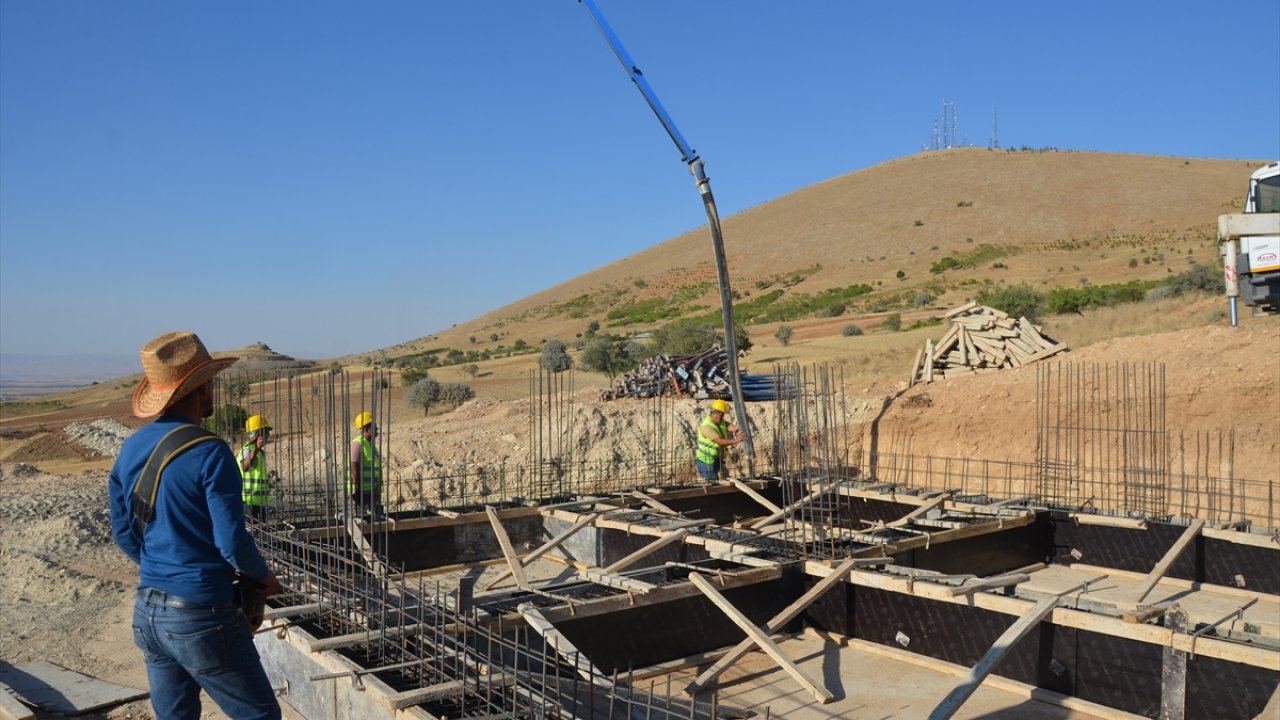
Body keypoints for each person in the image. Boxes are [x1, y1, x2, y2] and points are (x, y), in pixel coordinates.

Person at [107, 331, 283, 720]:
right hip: (202, 615)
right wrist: (263, 577)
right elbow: (231, 542)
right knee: (260, 715)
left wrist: (163, 567)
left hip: (147, 611)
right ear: (201, 387)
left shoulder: (131, 448)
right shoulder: (210, 452)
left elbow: (123, 532)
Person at [695, 398, 745, 482]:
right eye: (722, 415)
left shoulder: (720, 422)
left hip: (715, 459)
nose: (723, 418)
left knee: (715, 481)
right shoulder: (706, 426)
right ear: (717, 413)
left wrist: (737, 429)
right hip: (706, 461)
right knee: (711, 484)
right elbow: (720, 441)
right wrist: (736, 440)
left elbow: (730, 426)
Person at [348, 411, 384, 517]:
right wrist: (358, 491)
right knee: (366, 521)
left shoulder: (370, 445)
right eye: (375, 428)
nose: (377, 430)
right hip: (363, 492)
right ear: (367, 430)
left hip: (372, 490)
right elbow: (354, 470)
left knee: (375, 520)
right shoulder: (357, 444)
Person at [240, 415, 272, 522]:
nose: (269, 435)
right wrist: (256, 449)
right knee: (253, 531)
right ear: (258, 433)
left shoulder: (259, 452)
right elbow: (245, 467)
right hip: (249, 502)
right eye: (266, 432)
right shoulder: (248, 449)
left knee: (259, 530)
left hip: (257, 502)